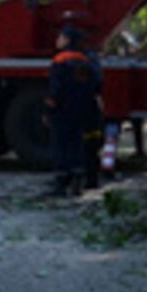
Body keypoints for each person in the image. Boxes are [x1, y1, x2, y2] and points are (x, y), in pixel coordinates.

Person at [45, 24, 103, 197]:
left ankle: (61, 184)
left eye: (60, 37)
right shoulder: (85, 61)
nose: (57, 40)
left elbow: (55, 90)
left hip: (62, 111)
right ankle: (78, 179)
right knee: (77, 144)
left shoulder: (59, 61)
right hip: (80, 110)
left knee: (60, 146)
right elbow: (95, 85)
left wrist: (49, 111)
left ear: (67, 40)